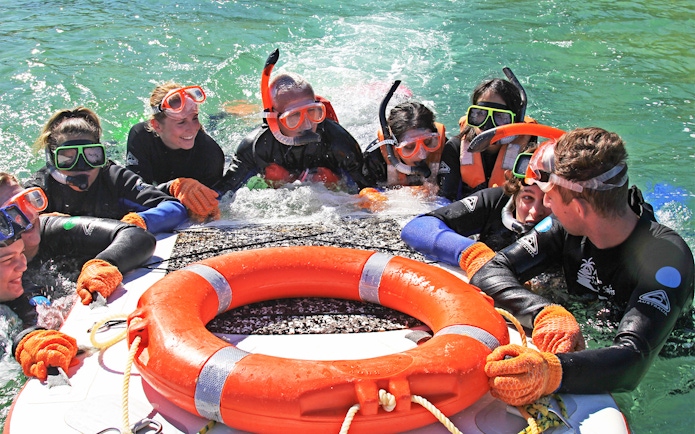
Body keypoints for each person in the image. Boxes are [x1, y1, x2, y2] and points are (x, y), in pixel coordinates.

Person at [468, 127, 694, 405]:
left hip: (673, 371)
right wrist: (544, 313)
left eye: (550, 194)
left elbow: (633, 359)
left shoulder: (666, 259)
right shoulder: (564, 228)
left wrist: (551, 373)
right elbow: (489, 272)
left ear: (578, 208)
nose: (546, 203)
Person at [215, 49, 372, 194]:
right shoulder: (256, 147)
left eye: (312, 112)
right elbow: (225, 191)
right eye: (294, 116)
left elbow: (367, 185)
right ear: (275, 119)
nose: (307, 124)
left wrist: (337, 182)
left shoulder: (337, 140)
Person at [0, 173, 156, 306]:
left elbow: (136, 236)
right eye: (13, 212)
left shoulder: (52, 229)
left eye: (27, 202)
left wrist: (104, 263)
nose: (29, 215)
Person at [25, 106, 188, 234]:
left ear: (100, 154)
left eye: (91, 155)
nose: (82, 166)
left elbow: (174, 208)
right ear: (53, 161)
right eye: (68, 158)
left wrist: (139, 221)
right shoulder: (40, 188)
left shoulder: (113, 178)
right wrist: (42, 224)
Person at [400, 159, 551, 278]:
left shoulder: (571, 229)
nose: (536, 211)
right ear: (515, 195)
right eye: (527, 198)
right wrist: (475, 255)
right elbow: (416, 228)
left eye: (548, 198)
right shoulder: (496, 201)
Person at [126, 81, 224, 221]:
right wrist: (173, 187)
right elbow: (134, 194)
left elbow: (214, 207)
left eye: (194, 118)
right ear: (157, 126)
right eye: (181, 122)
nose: (191, 129)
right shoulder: (140, 137)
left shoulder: (211, 154)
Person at [439, 68, 537, 201]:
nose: (488, 125)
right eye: (480, 114)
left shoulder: (529, 153)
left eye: (500, 116)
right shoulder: (454, 149)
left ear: (515, 120)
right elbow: (444, 201)